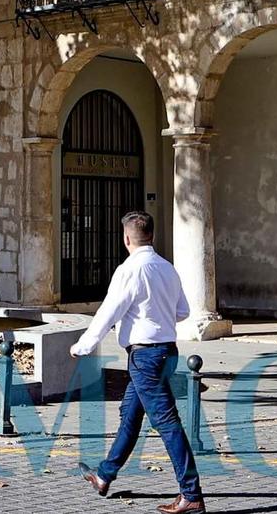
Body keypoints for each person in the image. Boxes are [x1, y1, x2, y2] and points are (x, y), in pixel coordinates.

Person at [70, 210, 204, 514]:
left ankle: (191, 494)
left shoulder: (129, 270)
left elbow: (109, 311)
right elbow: (182, 311)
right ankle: (104, 475)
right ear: (152, 236)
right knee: (130, 415)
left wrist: (84, 345)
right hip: (167, 351)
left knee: (168, 424)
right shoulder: (166, 267)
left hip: (145, 356)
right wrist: (156, 313)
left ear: (126, 238)